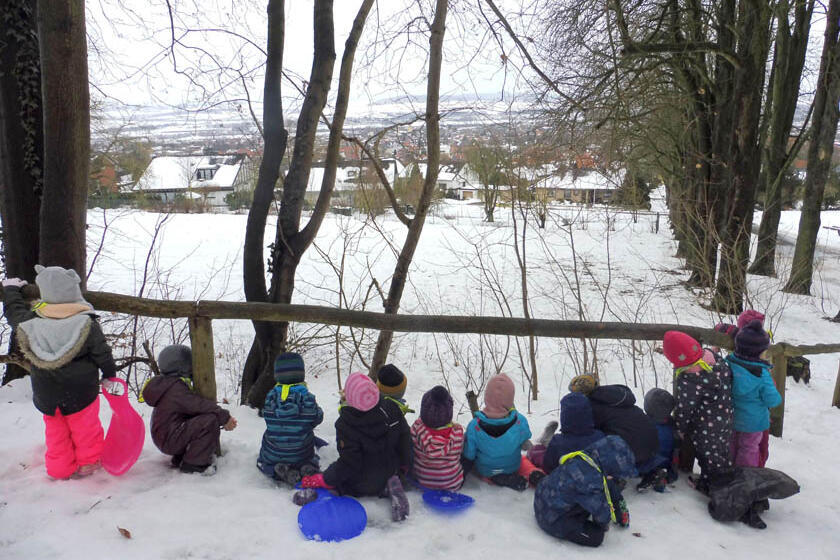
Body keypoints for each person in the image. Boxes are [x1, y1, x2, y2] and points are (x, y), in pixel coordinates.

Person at [2, 266, 117, 480]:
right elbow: (102, 353)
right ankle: (89, 463)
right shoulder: (86, 323)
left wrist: (10, 290)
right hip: (81, 392)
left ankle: (59, 469)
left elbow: (13, 313)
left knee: (56, 433)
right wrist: (110, 375)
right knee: (86, 430)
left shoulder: (31, 322)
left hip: (47, 393)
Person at [301, 372, 412, 522]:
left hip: (362, 483)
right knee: (385, 471)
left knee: (340, 482)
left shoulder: (346, 424)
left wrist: (326, 478)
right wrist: (404, 466)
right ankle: (391, 484)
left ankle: (323, 494)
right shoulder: (391, 407)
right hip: (390, 469)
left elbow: (349, 464)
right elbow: (405, 438)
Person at [142, 344, 237, 475]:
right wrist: (224, 417)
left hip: (167, 436)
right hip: (169, 439)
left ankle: (183, 457)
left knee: (197, 418)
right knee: (209, 421)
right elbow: (198, 405)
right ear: (183, 367)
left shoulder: (168, 384)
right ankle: (194, 464)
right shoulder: (175, 388)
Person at [663, 331, 733, 496]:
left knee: (708, 458)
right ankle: (727, 479)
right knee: (722, 452)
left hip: (706, 428)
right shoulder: (718, 363)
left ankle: (711, 487)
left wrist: (680, 428)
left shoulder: (690, 380)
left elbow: (685, 409)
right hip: (726, 418)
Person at [534, 435, 636, 547]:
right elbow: (601, 513)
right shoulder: (591, 482)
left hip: (544, 496)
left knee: (606, 484)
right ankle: (615, 510)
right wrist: (603, 524)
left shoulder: (586, 457)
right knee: (596, 537)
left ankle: (618, 504)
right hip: (552, 518)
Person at [256, 352, 324, 485]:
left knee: (263, 461)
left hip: (273, 454)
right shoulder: (307, 397)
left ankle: (277, 469)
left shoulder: (271, 397)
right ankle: (307, 467)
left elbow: (267, 416)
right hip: (301, 454)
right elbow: (317, 418)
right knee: (306, 438)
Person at [568, 374, 660, 472]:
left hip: (632, 454)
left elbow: (586, 434)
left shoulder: (591, 407)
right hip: (653, 446)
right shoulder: (616, 395)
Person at [462, 374, 536, 490]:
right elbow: (525, 443)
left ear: (487, 397)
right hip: (512, 466)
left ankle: (494, 477)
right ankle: (533, 474)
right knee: (523, 460)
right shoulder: (519, 421)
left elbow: (469, 454)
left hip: (486, 470)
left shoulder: (474, 426)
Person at [725, 320, 781, 468]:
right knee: (749, 447)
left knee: (732, 444)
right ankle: (746, 474)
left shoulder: (728, 364)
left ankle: (729, 470)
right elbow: (772, 400)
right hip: (753, 422)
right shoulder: (762, 374)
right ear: (761, 352)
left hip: (731, 417)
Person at [410, 385, 465, 490]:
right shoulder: (457, 432)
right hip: (452, 483)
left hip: (423, 480)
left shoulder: (417, 428)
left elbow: (411, 450)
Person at [542, 392, 605, 474]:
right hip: (598, 480)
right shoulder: (600, 437)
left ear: (564, 415)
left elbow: (548, 468)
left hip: (566, 480)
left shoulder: (557, 442)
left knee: (538, 452)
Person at [638, 388, 679, 492]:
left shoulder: (645, 423)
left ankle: (653, 474)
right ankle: (662, 476)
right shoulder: (672, 423)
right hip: (668, 463)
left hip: (649, 463)